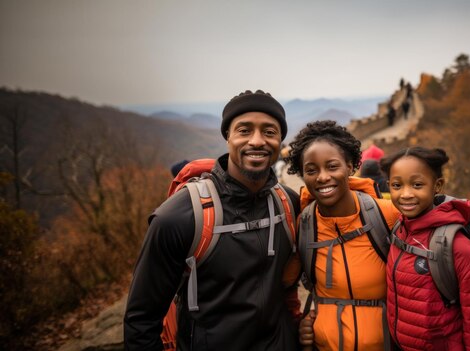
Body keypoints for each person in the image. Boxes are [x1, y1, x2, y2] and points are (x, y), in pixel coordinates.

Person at [124, 90, 302, 350]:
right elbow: (142, 319)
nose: (257, 140)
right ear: (227, 136)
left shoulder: (288, 204)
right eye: (244, 130)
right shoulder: (179, 217)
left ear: (280, 140)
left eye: (269, 131)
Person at [285, 120, 399, 351]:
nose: (322, 177)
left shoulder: (386, 216)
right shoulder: (304, 225)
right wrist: (304, 324)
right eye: (311, 170)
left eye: (332, 166)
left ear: (350, 166)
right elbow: (284, 286)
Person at [380, 147, 470, 351]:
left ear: (437, 185)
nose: (406, 194)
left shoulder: (454, 244)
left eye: (417, 185)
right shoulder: (399, 230)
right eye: (397, 185)